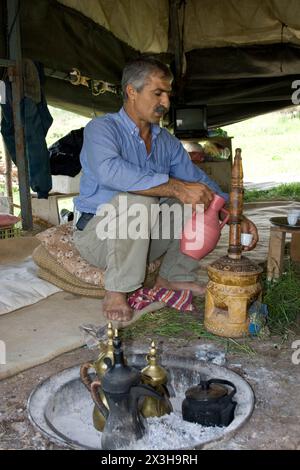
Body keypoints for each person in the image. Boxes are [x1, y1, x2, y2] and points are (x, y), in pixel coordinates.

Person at [73, 57, 258, 322]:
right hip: (98, 237)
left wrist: (233, 212)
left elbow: (196, 180)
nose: (166, 103)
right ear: (131, 91)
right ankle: (117, 290)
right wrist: (175, 187)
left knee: (202, 201)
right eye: (157, 93)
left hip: (142, 239)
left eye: (168, 95)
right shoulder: (102, 129)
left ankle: (171, 278)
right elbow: (109, 171)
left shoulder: (165, 141)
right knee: (138, 200)